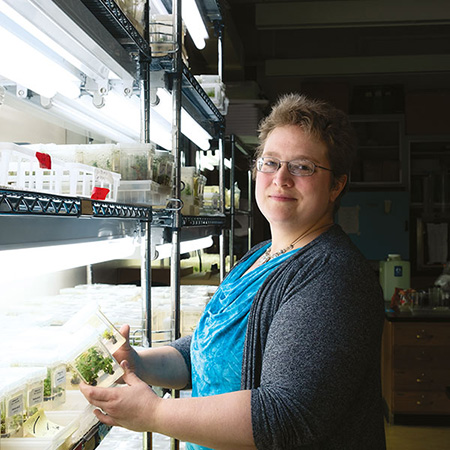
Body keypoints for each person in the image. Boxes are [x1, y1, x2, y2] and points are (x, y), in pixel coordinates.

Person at [80, 93, 387, 449]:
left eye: (303, 167)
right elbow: (204, 351)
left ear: (337, 185)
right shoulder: (259, 256)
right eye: (270, 162)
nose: (281, 178)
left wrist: (153, 414)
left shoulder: (334, 278)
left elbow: (284, 417)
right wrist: (137, 362)